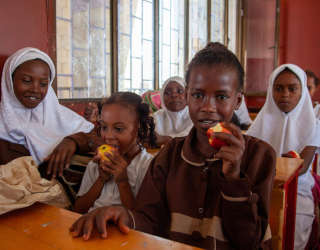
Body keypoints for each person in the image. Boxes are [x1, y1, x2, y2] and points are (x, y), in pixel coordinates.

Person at [70, 43, 276, 250]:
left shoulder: (260, 156)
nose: (207, 107)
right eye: (198, 95)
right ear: (187, 96)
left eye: (221, 97)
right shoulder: (169, 156)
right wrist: (125, 215)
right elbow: (150, 221)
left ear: (238, 100)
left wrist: (233, 179)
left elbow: (249, 242)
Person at [247, 64, 320, 250]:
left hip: (297, 189)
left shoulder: (313, 125)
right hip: (261, 187)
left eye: (292, 89)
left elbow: (300, 167)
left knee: (292, 229)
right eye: (278, 88)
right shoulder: (261, 122)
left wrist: (266, 163)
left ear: (302, 91)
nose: (285, 94)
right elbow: (249, 156)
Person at [0, 47, 93, 166]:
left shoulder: (61, 117)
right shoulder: (3, 125)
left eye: (43, 84)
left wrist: (73, 141)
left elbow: (96, 140)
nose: (35, 89)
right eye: (27, 81)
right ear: (10, 81)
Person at [73, 92, 156, 213]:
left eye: (118, 129)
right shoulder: (96, 164)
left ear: (138, 128)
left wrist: (122, 181)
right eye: (104, 127)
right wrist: (101, 179)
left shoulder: (148, 166)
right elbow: (78, 209)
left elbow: (142, 221)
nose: (108, 136)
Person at [153, 76, 193, 146]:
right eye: (167, 93)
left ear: (187, 95)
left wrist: (165, 139)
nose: (174, 95)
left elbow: (192, 138)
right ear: (162, 97)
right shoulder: (157, 116)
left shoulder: (194, 115)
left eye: (180, 91)